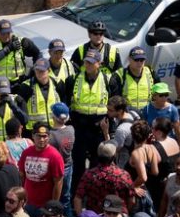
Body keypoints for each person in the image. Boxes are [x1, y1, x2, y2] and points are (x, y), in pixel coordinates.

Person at [66, 49, 111, 190]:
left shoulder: (107, 79)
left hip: (97, 128)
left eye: (92, 62)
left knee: (96, 162)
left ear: (99, 64)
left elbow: (113, 101)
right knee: (78, 162)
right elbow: (67, 99)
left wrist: (107, 122)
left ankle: (93, 190)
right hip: (80, 127)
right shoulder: (74, 79)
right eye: (86, 62)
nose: (89, 65)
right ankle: (76, 191)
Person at [110, 46, 156, 111]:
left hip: (147, 112)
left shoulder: (150, 72)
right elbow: (115, 98)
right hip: (128, 113)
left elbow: (158, 92)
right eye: (136, 60)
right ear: (129, 59)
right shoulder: (119, 75)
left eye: (142, 60)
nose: (139, 63)